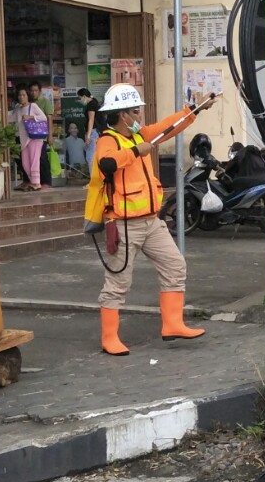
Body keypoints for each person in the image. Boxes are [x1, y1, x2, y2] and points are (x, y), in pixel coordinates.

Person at [90, 82, 217, 355]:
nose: (139, 116)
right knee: (118, 282)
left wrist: (196, 108)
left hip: (151, 221)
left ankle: (172, 324)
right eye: (135, 111)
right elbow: (106, 165)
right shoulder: (107, 141)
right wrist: (136, 152)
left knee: (174, 265)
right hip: (123, 224)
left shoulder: (140, 135)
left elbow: (170, 126)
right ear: (122, 114)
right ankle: (109, 338)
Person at [14, 86, 49, 192]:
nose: (21, 97)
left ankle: (37, 183)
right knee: (25, 162)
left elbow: (44, 117)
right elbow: (11, 117)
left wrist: (31, 117)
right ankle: (33, 181)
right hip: (24, 139)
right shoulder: (18, 109)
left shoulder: (33, 106)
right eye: (20, 95)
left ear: (28, 96)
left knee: (34, 161)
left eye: (24, 95)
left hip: (34, 138)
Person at [79, 88, 102, 177]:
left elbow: (91, 120)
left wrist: (88, 135)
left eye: (80, 98)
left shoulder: (91, 105)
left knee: (90, 157)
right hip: (97, 132)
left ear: (84, 96)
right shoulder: (95, 102)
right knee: (95, 156)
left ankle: (93, 181)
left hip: (94, 132)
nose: (80, 100)